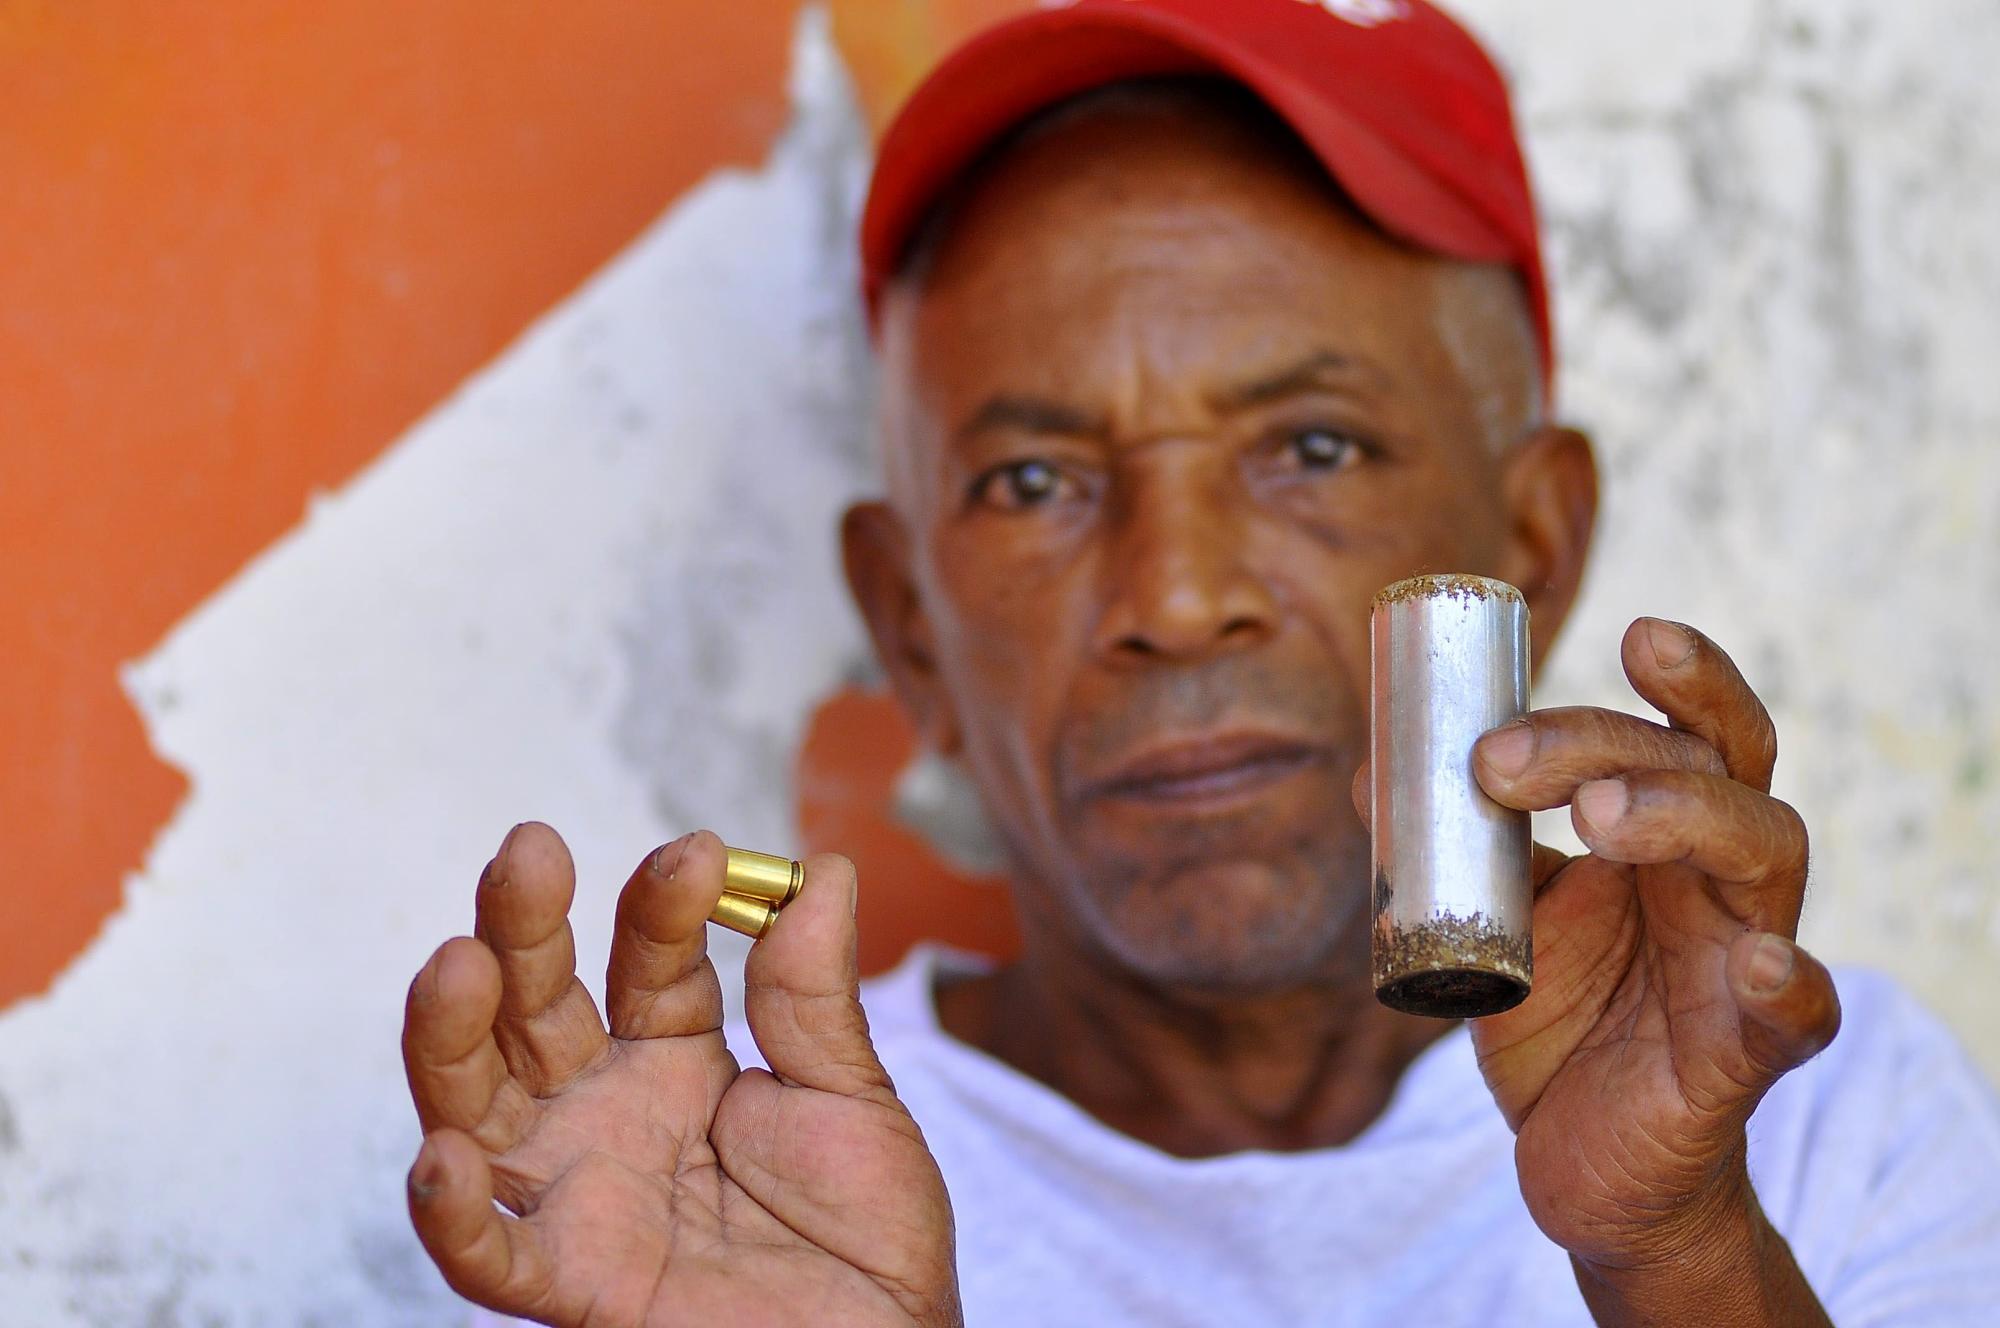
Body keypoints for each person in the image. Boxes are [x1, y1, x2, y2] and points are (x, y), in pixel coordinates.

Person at [397, 2, 2000, 1324]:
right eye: (1034, 483)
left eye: (1312, 446)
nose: (1174, 594)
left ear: (1534, 547)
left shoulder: (1811, 1119)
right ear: (909, 629)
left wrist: (1679, 1251)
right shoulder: (689, 1192)